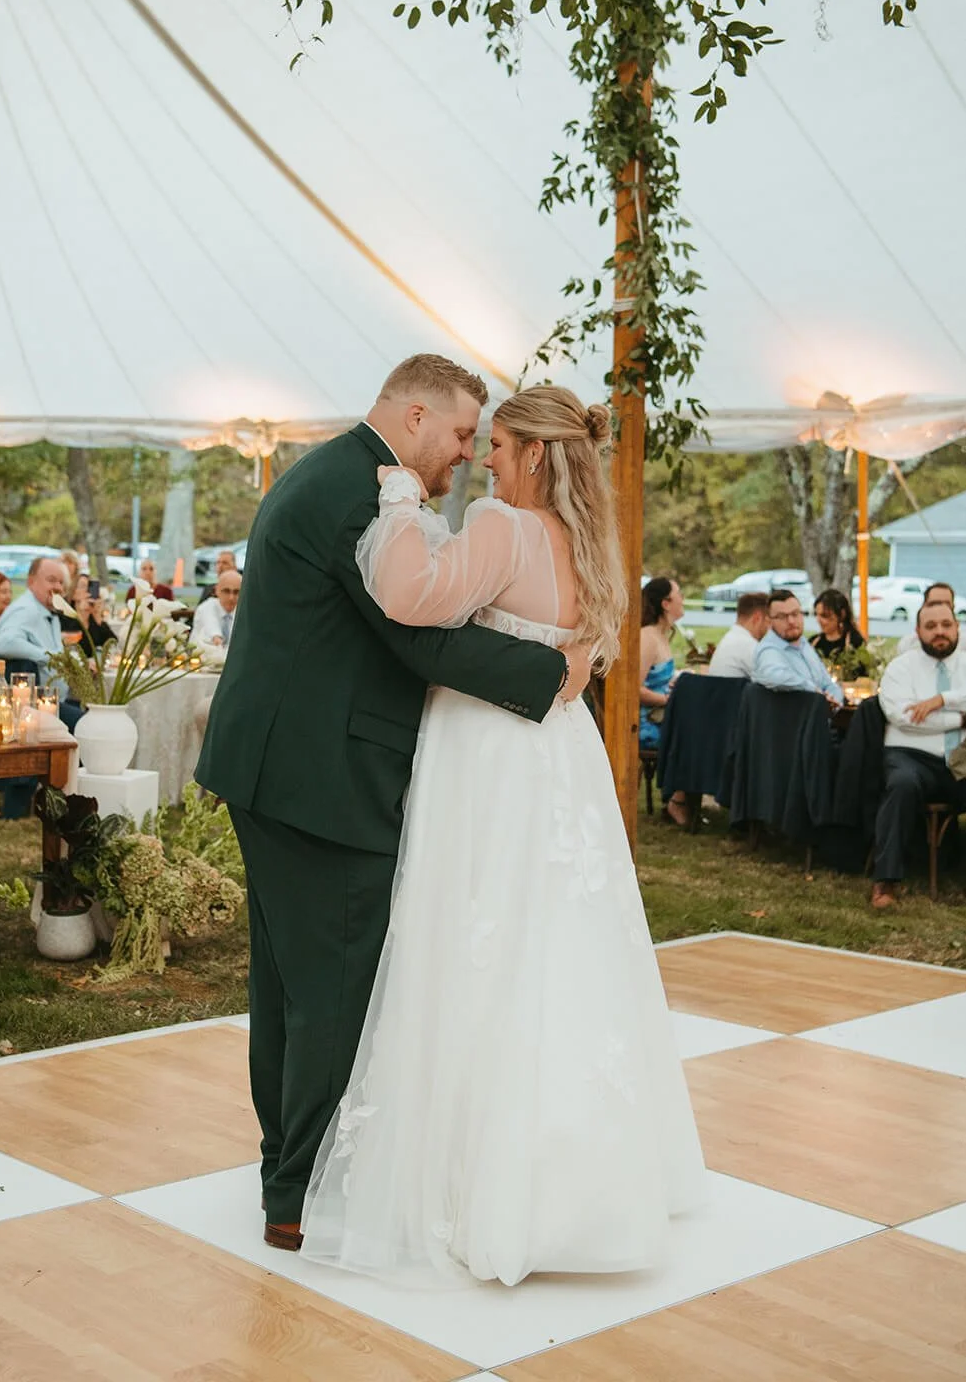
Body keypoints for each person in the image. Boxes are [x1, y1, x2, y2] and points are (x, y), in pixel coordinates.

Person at [300, 383, 706, 1287]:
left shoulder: (501, 525)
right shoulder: (587, 545)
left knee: (471, 940)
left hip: (484, 754)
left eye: (497, 445)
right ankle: (574, 1182)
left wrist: (402, 502)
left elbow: (409, 595)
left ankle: (472, 1184)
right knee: (555, 945)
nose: (483, 457)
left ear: (530, 455)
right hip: (554, 761)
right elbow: (580, 655)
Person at [195, 354, 593, 1258]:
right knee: (335, 985)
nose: (463, 457)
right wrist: (553, 670)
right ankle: (295, 1194)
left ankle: (286, 1175)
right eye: (459, 435)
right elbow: (419, 637)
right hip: (319, 781)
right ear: (414, 417)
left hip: (279, 768)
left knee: (289, 988)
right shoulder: (358, 494)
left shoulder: (339, 472)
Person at [872, 598, 966, 910]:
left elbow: (924, 713)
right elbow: (905, 719)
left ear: (957, 628)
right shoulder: (901, 668)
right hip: (911, 756)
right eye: (931, 626)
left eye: (946, 625)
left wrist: (941, 699)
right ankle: (885, 881)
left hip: (960, 760)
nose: (940, 632)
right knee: (901, 785)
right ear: (917, 631)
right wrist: (961, 718)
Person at [0, 556, 70, 691]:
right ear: (31, 582)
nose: (58, 587)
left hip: (54, 701)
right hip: (32, 706)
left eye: (61, 582)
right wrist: (49, 658)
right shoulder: (27, 609)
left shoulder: (48, 611)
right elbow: (4, 643)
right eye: (51, 580)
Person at [753, 590, 844, 704]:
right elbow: (775, 677)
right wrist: (814, 691)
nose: (791, 621)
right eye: (782, 616)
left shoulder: (804, 644)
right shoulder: (768, 650)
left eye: (795, 614)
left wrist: (835, 700)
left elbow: (828, 684)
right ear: (769, 621)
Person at [639, 576, 683, 744]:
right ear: (666, 604)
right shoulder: (647, 637)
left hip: (664, 718)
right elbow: (636, 689)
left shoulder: (661, 635)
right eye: (679, 594)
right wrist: (669, 700)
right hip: (649, 725)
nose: (682, 600)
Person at [708, 592, 769, 678]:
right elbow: (777, 679)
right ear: (757, 618)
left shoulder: (732, 638)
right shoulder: (747, 645)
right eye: (769, 621)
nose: (771, 628)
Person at [893, 581, 957, 658]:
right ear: (924, 605)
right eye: (934, 603)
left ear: (953, 607)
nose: (940, 608)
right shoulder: (908, 644)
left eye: (946, 604)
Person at [67, 573, 116, 657]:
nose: (87, 590)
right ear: (73, 592)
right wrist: (81, 615)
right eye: (83, 586)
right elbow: (77, 648)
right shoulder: (66, 616)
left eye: (90, 586)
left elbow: (113, 643)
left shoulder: (93, 618)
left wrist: (97, 617)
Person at [191, 570, 241, 648]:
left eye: (236, 592)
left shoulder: (243, 613)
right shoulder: (207, 607)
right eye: (226, 591)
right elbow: (210, 622)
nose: (231, 597)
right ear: (216, 590)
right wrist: (216, 637)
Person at [811, 588, 865, 660]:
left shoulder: (855, 642)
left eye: (824, 615)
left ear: (842, 614)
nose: (818, 620)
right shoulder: (813, 643)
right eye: (816, 615)